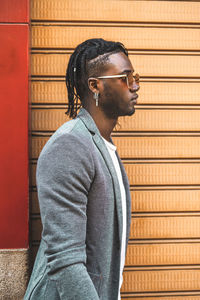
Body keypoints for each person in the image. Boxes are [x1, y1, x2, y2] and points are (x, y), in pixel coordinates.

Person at [24, 38, 139, 300]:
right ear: (95, 85)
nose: (135, 85)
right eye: (125, 77)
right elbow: (66, 261)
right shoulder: (70, 145)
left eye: (136, 76)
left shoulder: (101, 145)